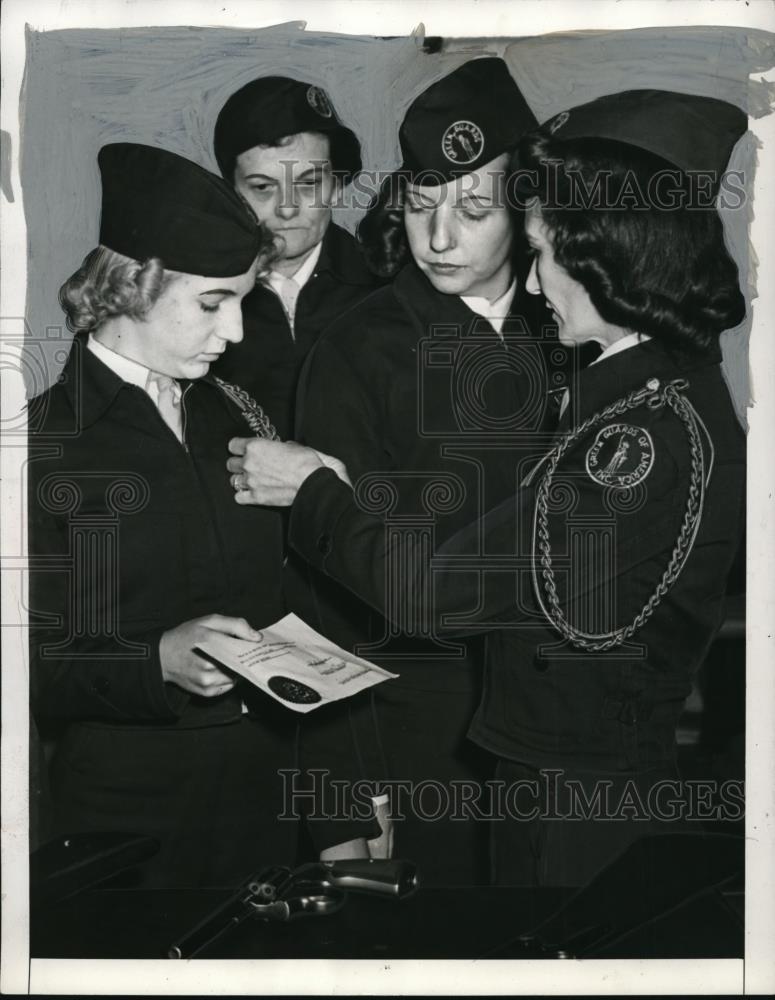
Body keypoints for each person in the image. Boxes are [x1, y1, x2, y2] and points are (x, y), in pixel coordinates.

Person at [227, 88, 748, 887]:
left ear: (608, 253)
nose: (534, 286)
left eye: (542, 255)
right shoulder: (654, 385)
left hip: (572, 783)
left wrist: (314, 491)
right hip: (531, 754)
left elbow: (434, 591)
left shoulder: (640, 429)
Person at [285, 57, 555, 884]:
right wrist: (344, 785)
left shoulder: (576, 327)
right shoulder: (359, 346)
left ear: (525, 210)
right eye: (420, 207)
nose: (437, 239)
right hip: (417, 736)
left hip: (557, 727)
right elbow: (318, 587)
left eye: (472, 210)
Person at [28, 143, 299, 888]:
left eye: (243, 300)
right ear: (131, 289)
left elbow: (290, 613)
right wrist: (152, 663)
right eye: (214, 303)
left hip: (266, 803)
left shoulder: (235, 416)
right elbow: (26, 662)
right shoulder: (43, 446)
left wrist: (334, 814)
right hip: (126, 826)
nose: (236, 331)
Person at [210, 75, 380, 438]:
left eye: (308, 183)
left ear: (336, 184)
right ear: (231, 194)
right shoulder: (192, 296)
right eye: (262, 187)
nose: (287, 209)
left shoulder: (387, 284)